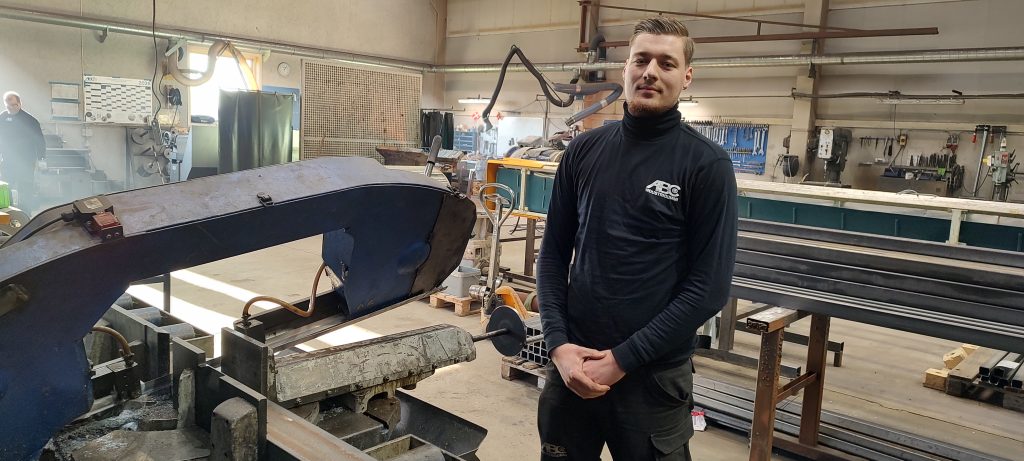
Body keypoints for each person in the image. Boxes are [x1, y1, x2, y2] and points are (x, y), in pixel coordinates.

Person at [536, 17, 738, 460]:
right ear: (625, 68)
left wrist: (622, 360)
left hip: (652, 380)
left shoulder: (706, 166)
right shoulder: (583, 151)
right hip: (573, 368)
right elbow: (552, 256)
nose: (650, 72)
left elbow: (708, 289)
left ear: (686, 76)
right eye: (641, 60)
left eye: (666, 63)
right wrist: (558, 345)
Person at [0, 91, 46, 214]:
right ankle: (7, 213)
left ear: (20, 103)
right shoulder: (2, 118)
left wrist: (42, 158)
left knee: (25, 188)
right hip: (8, 161)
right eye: (8, 106)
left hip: (26, 161)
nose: (11, 108)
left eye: (13, 105)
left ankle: (25, 214)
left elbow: (39, 140)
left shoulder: (30, 120)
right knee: (5, 187)